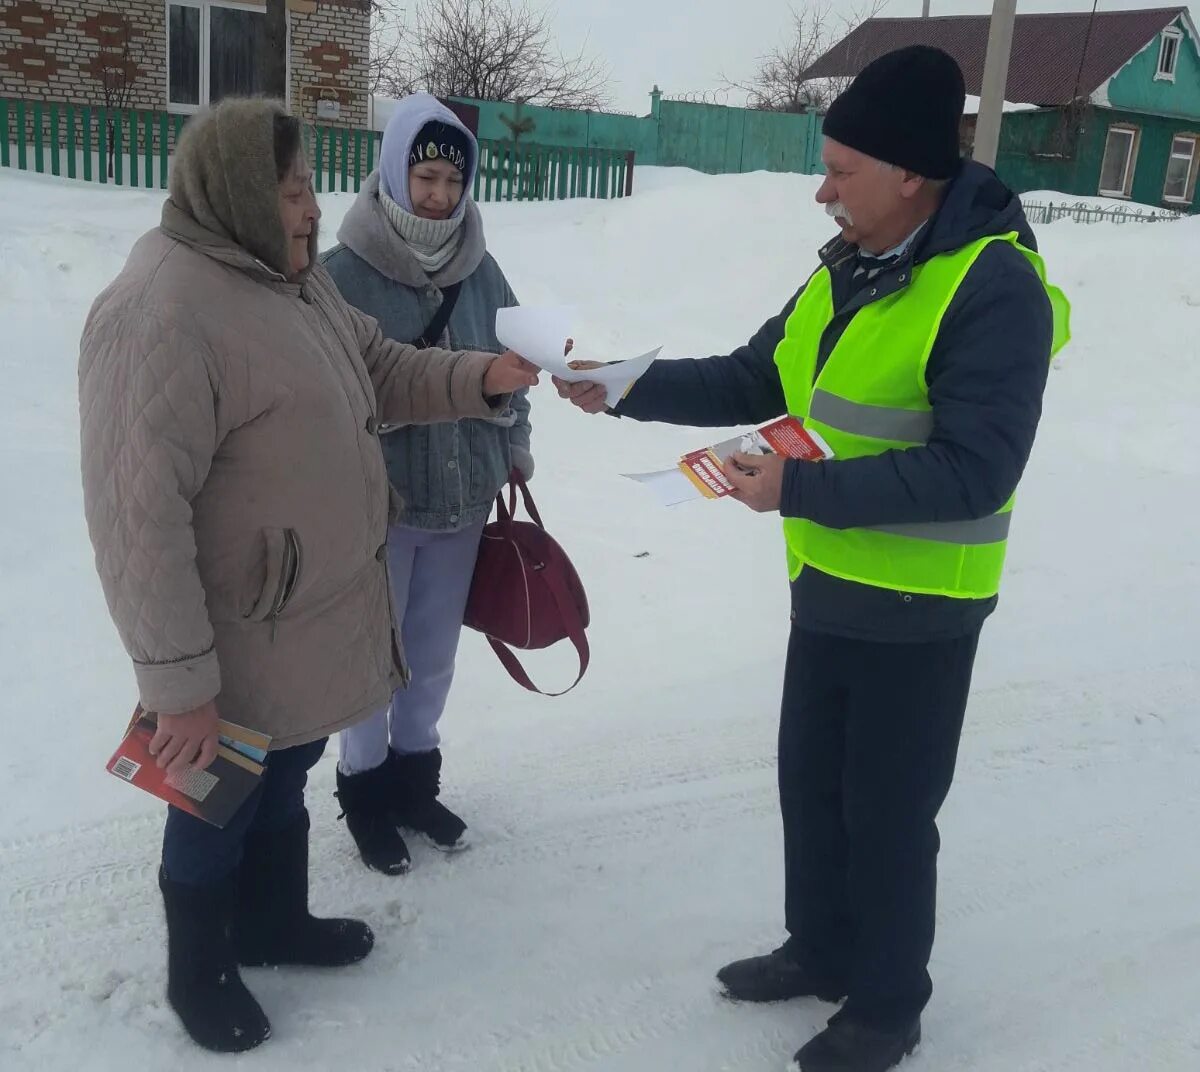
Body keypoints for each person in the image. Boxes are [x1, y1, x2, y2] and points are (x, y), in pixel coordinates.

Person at [554, 47, 1069, 1072]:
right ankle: (822, 946)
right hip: (828, 584)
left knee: (886, 811)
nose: (821, 190)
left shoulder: (990, 284)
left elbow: (978, 468)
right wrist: (627, 386)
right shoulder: (850, 265)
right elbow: (758, 372)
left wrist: (798, 490)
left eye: (841, 170)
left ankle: (886, 1002)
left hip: (922, 605)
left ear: (910, 174)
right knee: (812, 786)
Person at [77, 98, 537, 1055]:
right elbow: (136, 522)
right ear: (239, 191)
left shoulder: (287, 280)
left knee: (286, 767)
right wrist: (179, 686)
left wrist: (482, 377)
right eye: (289, 190)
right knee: (216, 796)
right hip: (225, 634)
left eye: (308, 186)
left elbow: (382, 367)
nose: (310, 209)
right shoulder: (158, 311)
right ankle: (197, 971)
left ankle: (274, 921)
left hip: (294, 618)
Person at [323, 94, 530, 874]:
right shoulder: (341, 275)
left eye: (452, 177)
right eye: (426, 176)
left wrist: (516, 446)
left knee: (433, 656)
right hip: (383, 506)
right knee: (373, 659)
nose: (440, 194)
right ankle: (365, 794)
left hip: (465, 502)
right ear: (392, 172)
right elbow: (331, 397)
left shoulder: (485, 270)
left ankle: (417, 783)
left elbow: (515, 372)